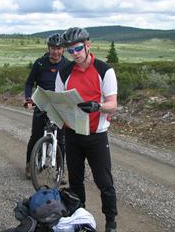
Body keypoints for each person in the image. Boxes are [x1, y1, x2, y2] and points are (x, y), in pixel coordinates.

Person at [55, 27, 118, 232]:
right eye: (70, 51)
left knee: (104, 181)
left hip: (96, 135)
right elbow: (58, 100)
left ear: (88, 45)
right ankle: (79, 218)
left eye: (78, 49)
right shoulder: (64, 72)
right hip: (73, 134)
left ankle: (111, 222)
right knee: (75, 180)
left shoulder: (104, 70)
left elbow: (113, 105)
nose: (74, 54)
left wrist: (97, 107)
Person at [24, 33, 69, 179]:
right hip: (42, 103)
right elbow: (29, 83)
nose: (56, 52)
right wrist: (28, 98)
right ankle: (29, 165)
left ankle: (61, 171)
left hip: (59, 106)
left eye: (59, 48)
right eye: (53, 48)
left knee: (61, 139)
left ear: (63, 49)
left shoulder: (68, 65)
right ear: (48, 48)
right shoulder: (40, 63)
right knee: (35, 136)